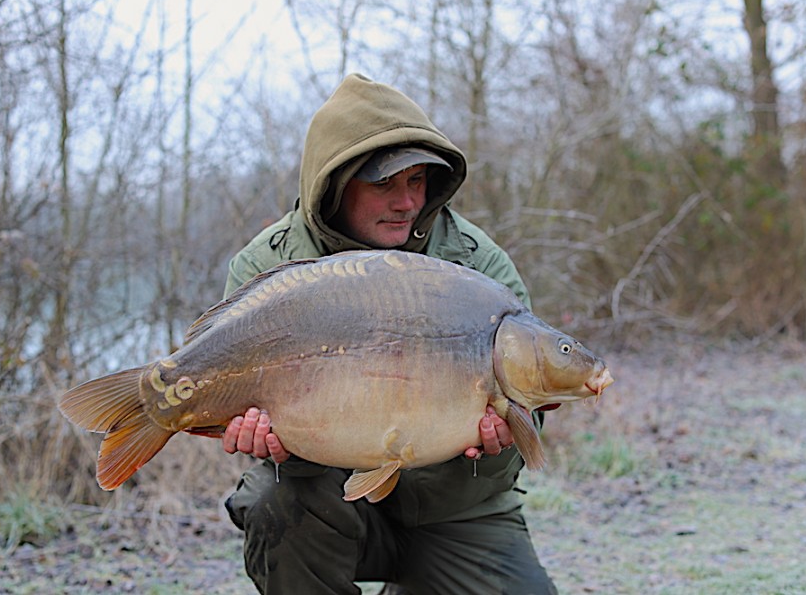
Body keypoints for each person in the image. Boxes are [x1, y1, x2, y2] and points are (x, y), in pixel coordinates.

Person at [221, 73, 558, 595]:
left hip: (456, 510)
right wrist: (256, 438)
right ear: (334, 185)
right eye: (384, 184)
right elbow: (241, 400)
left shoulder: (479, 266)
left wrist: (508, 435)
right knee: (273, 502)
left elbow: (529, 398)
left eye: (417, 182)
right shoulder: (270, 266)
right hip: (329, 504)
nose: (406, 202)